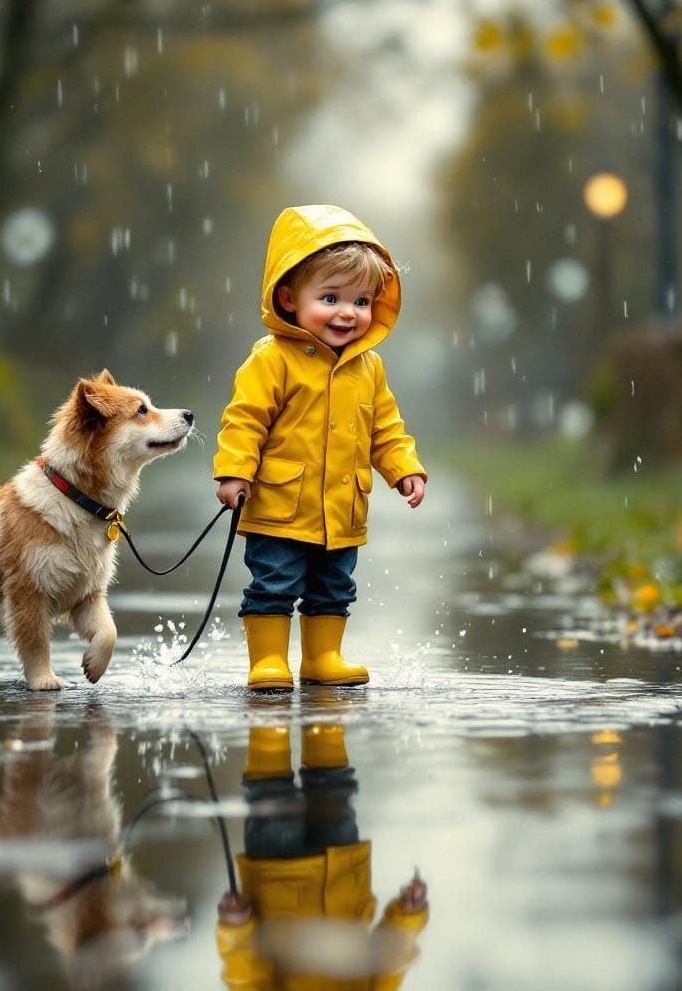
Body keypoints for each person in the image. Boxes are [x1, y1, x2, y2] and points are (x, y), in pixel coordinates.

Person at [213, 204, 427, 690]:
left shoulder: (368, 367)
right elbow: (245, 419)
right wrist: (235, 472)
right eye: (329, 298)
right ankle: (267, 660)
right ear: (289, 299)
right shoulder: (272, 359)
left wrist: (404, 469)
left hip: (342, 508)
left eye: (361, 301)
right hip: (279, 505)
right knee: (274, 583)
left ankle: (322, 656)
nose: (348, 313)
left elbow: (386, 428)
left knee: (334, 587)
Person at [215, 715, 429, 989]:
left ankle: (268, 703)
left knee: (270, 794)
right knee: (334, 787)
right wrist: (408, 916)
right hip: (343, 877)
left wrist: (235, 929)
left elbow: (245, 977)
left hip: (277, 881)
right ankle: (325, 696)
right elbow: (388, 962)